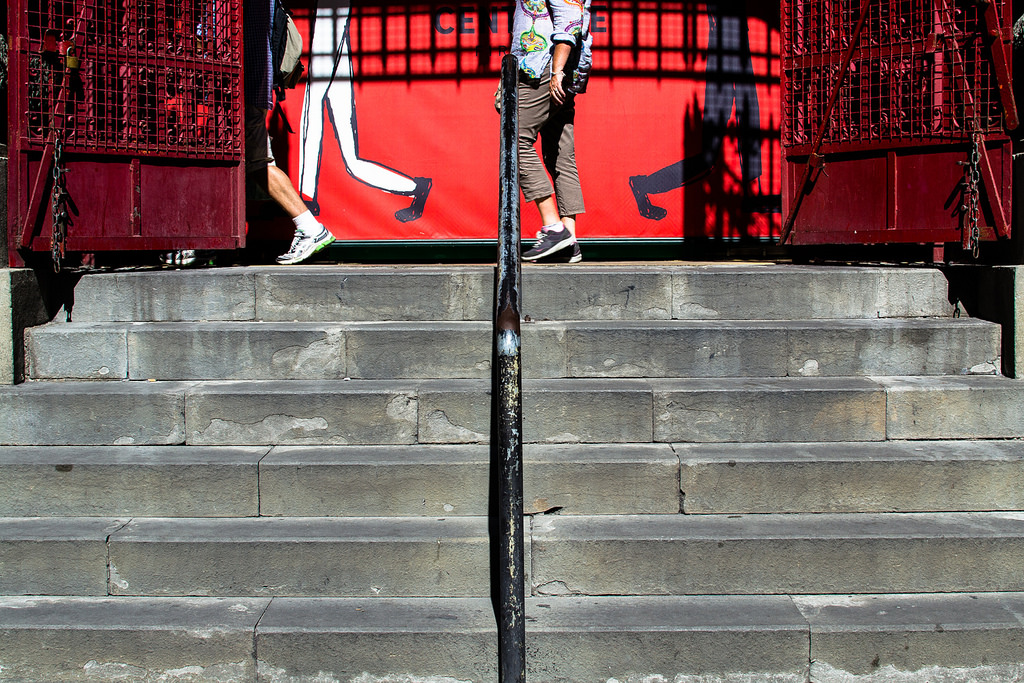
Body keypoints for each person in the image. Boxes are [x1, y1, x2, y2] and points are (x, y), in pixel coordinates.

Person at [298, 0, 431, 222]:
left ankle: (306, 197)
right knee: (352, 160)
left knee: (313, 102)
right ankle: (417, 188)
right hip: (332, 10)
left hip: (331, 7)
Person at [244, 0, 335, 264]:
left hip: (243, 90)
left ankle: (311, 229)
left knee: (257, 164)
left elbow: (217, 36)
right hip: (250, 89)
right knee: (255, 163)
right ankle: (310, 228)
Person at [508, 0, 592, 263]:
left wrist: (556, 71)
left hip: (542, 67)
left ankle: (554, 228)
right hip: (556, 67)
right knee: (560, 155)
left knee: (515, 140)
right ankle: (569, 242)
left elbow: (569, 16)